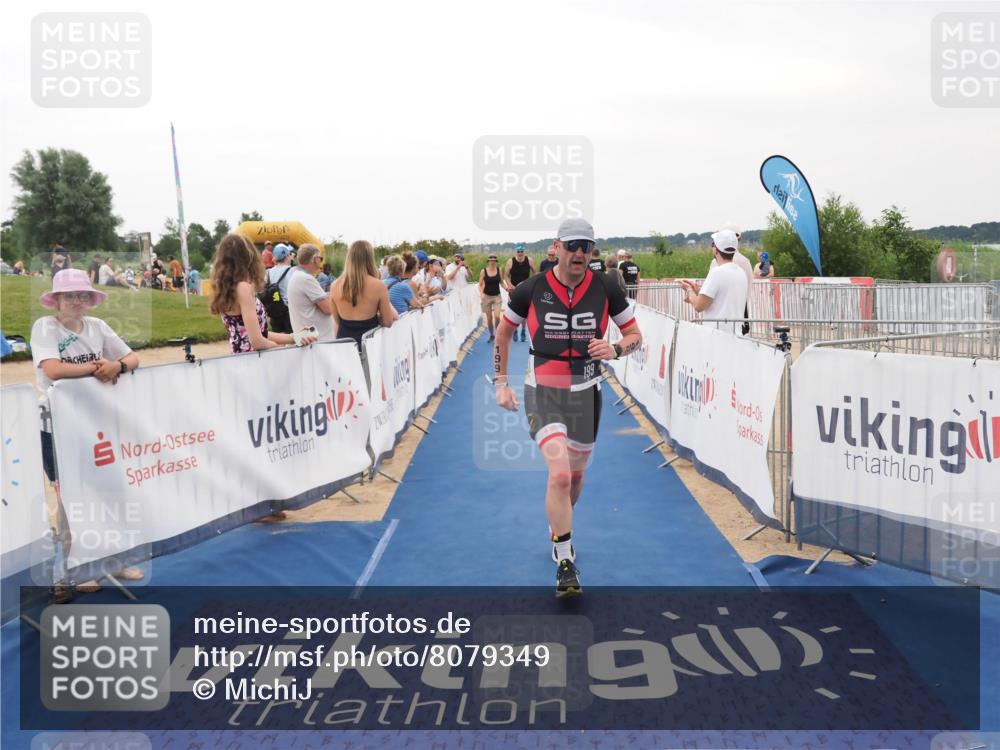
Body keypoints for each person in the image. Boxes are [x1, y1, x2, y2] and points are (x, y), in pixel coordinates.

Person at [495, 218, 642, 597]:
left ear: (593, 252)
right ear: (557, 247)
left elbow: (634, 335)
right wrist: (500, 382)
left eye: (587, 247)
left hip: (586, 394)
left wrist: (615, 349)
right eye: (573, 245)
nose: (579, 253)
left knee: (574, 480)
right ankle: (564, 559)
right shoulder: (532, 288)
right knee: (559, 476)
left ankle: (558, 526)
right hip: (542, 389)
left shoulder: (607, 286)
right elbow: (503, 332)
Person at [30, 268, 143, 596]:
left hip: (97, 426)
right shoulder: (45, 327)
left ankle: (114, 559)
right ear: (57, 300)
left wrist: (118, 366)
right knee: (70, 500)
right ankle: (74, 569)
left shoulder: (98, 326)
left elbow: (132, 358)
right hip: (58, 427)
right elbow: (52, 369)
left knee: (110, 490)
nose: (77, 301)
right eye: (69, 296)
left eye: (82, 295)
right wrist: (99, 369)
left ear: (91, 299)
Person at [209, 233, 316, 355]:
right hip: (254, 361)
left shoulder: (229, 288)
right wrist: (282, 350)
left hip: (241, 359)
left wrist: (293, 337)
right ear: (248, 255)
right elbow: (257, 341)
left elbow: (258, 333)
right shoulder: (243, 288)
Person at [330, 240, 398, 349]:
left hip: (344, 345)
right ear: (370, 259)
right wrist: (376, 318)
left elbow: (337, 320)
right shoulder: (378, 285)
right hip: (370, 345)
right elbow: (387, 322)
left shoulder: (335, 285)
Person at [680, 229, 749, 335]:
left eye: (713, 244)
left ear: (716, 249)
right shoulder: (741, 272)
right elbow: (722, 298)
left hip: (717, 336)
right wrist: (699, 291)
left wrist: (689, 290)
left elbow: (699, 306)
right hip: (736, 335)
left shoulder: (717, 272)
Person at [288, 244, 336, 343]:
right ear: (315, 259)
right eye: (320, 258)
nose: (321, 261)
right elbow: (329, 308)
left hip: (310, 339)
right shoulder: (306, 279)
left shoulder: (297, 276)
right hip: (317, 342)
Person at [504, 244, 534, 342]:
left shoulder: (529, 260)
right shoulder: (510, 261)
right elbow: (505, 275)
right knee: (514, 311)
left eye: (522, 251)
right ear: (516, 252)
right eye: (518, 251)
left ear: (524, 252)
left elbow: (535, 273)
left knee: (524, 312)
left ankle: (523, 331)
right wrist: (509, 284)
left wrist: (531, 283)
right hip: (514, 290)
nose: (520, 253)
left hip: (525, 290)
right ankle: (515, 330)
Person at [264, 243, 295, 333]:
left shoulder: (268, 272)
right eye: (290, 254)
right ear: (287, 256)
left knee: (280, 342)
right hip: (289, 311)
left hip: (274, 311)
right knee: (294, 340)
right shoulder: (292, 271)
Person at [479, 254, 503, 341]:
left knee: (497, 316)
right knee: (489, 318)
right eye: (491, 260)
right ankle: (491, 335)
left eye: (494, 260)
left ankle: (498, 335)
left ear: (496, 261)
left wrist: (507, 288)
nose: (492, 262)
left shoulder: (499, 270)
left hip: (497, 296)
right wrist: (481, 294)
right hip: (487, 297)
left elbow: (501, 282)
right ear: (488, 261)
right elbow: (480, 284)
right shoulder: (483, 271)